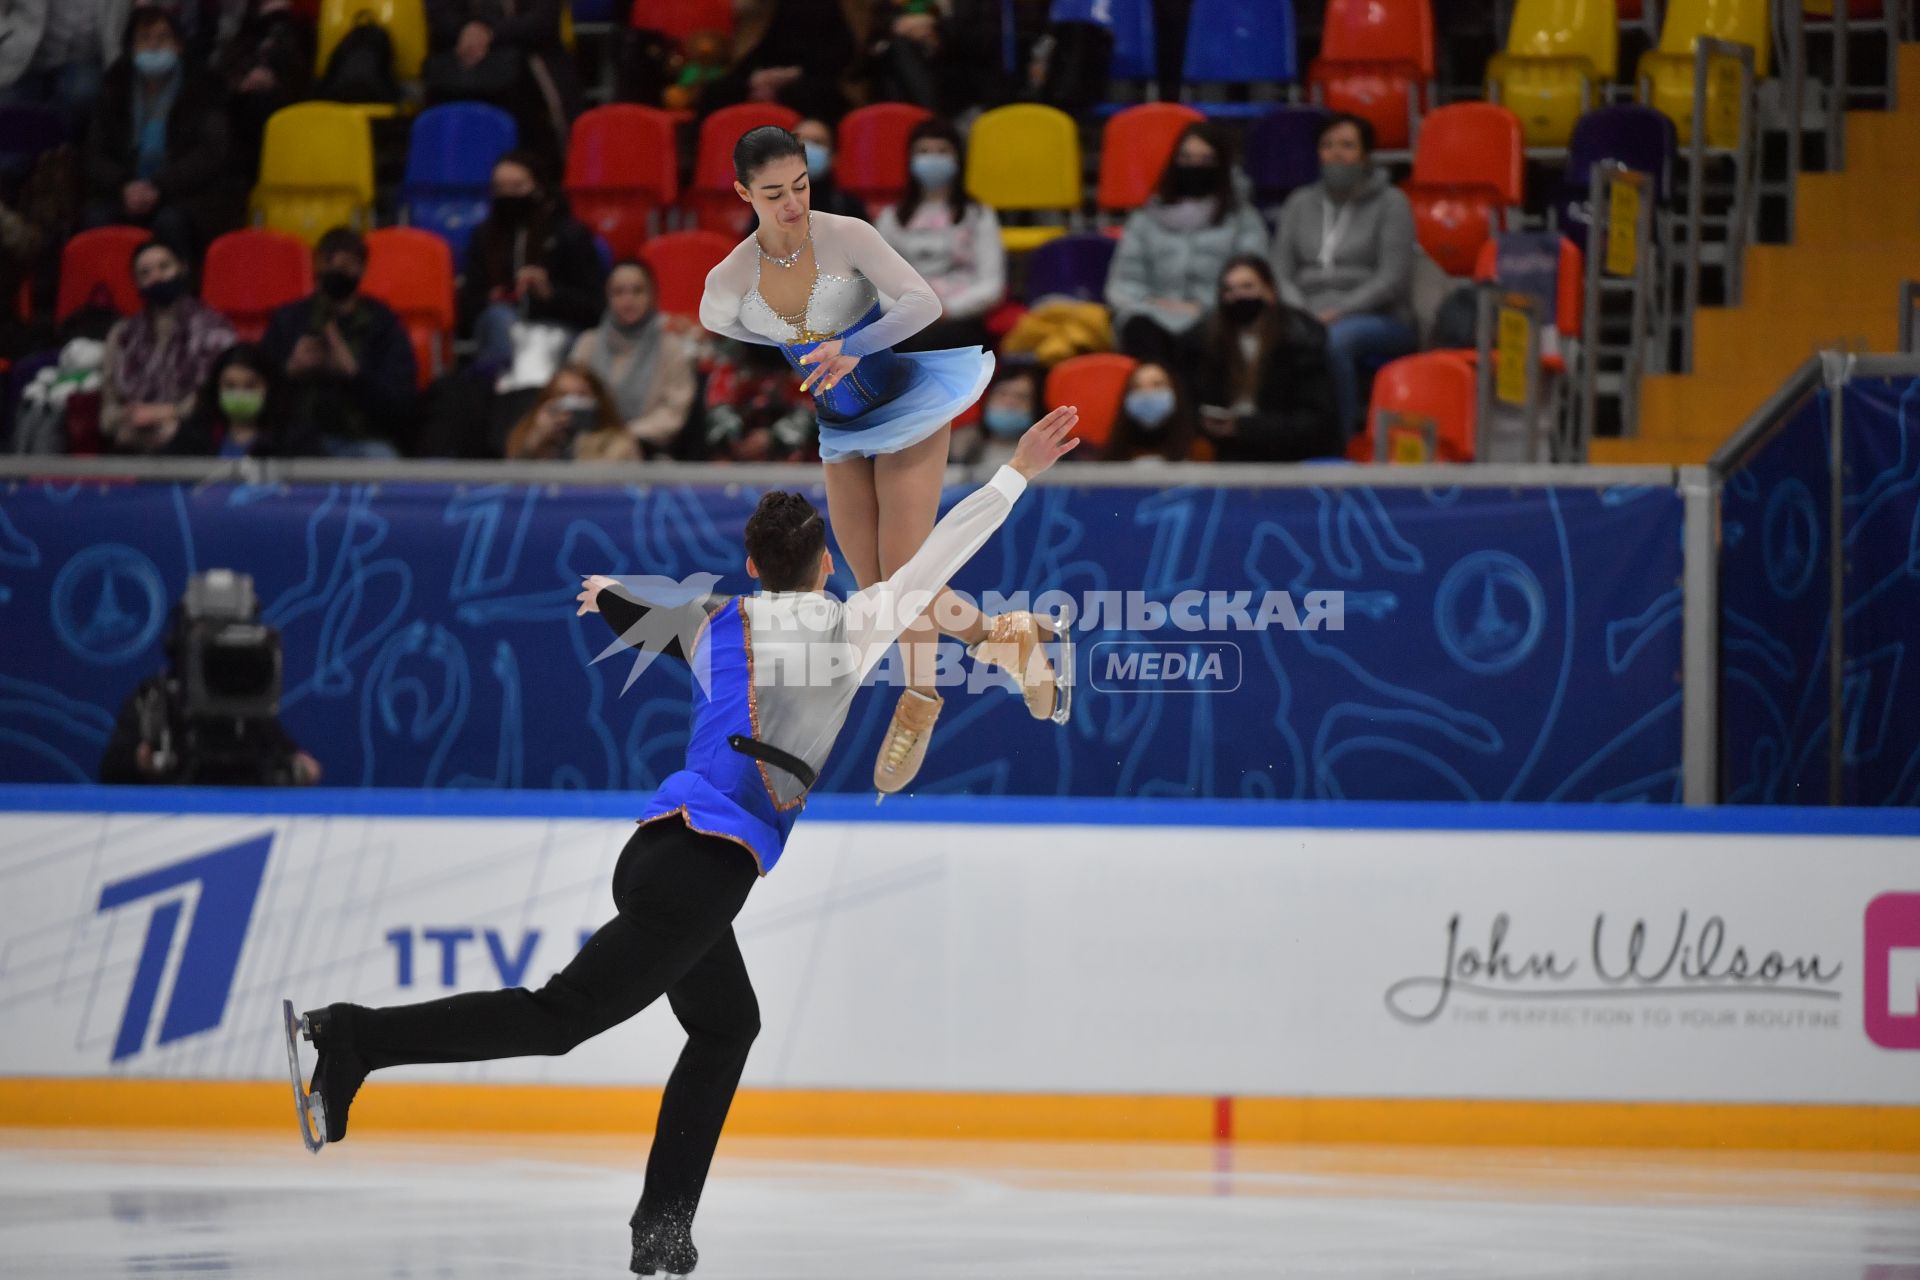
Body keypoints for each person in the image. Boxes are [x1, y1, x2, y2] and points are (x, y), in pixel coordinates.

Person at [283, 406, 1083, 1277]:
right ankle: (354, 1038)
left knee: (727, 1024)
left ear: (751, 566)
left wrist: (605, 595)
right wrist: (1017, 470)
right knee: (560, 1020)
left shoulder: (713, 621)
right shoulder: (850, 625)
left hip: (663, 854)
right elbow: (942, 554)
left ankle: (662, 1226)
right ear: (825, 569)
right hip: (700, 871)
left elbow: (622, 601)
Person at [698, 126, 1067, 796]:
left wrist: (854, 344)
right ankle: (1000, 638)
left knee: (903, 570)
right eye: (774, 193)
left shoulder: (848, 235)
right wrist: (790, 343)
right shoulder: (731, 276)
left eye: (801, 186)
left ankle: (919, 698)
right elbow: (718, 319)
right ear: (743, 192)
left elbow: (925, 301)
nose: (792, 204)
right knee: (877, 592)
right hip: (839, 425)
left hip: (907, 404)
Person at [1270, 112, 1417, 439]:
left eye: (1347, 146)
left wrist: (1341, 311)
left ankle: (1342, 440)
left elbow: (1392, 279)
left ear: (1365, 156)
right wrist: (1302, 311)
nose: (1336, 153)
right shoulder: (1299, 202)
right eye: (1328, 145)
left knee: (1336, 340)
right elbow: (1280, 271)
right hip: (1305, 309)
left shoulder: (1392, 203)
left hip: (1377, 316)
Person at [80, 6, 240, 258]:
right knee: (97, 217)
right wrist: (124, 186)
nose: (154, 46)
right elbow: (95, 153)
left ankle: (178, 289)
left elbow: (210, 152)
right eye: (145, 38)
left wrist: (159, 186)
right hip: (126, 189)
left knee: (170, 222)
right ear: (131, 49)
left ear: (178, 46)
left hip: (184, 192)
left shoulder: (203, 86)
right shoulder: (114, 87)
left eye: (163, 38)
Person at [1105, 121, 1268, 368]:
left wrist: (1205, 307)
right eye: (1187, 157)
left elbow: (1252, 278)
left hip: (1215, 315)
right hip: (1152, 314)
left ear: (1221, 165)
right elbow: (1123, 282)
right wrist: (1151, 304)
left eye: (1205, 159)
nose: (1195, 166)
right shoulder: (1144, 219)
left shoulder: (1243, 219)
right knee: (1138, 328)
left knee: (1212, 335)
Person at [261, 227, 417, 459]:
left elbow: (401, 407)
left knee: (381, 461)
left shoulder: (383, 325)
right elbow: (255, 390)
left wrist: (354, 374)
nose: (336, 272)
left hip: (363, 441)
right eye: (328, 263)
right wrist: (290, 370)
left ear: (362, 270)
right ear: (316, 266)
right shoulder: (288, 320)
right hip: (296, 442)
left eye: (346, 266)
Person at [459, 150, 606, 375]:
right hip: (500, 326)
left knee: (544, 343)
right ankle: (506, 399)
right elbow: (468, 303)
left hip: (558, 324)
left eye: (517, 187)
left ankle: (526, 399)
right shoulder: (483, 236)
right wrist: (491, 297)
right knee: (501, 319)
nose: (508, 196)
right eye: (500, 188)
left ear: (538, 188)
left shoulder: (570, 234)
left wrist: (550, 294)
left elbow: (595, 307)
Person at [1186, 255, 1342, 462]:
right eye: (1229, 290)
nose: (1238, 296)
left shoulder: (1299, 341)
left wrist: (1245, 427)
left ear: (1270, 292)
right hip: (1225, 455)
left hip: (1286, 456)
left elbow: (1315, 422)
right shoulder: (1207, 341)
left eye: (1247, 287)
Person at [873, 117, 1005, 355]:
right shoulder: (890, 217)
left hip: (960, 318)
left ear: (958, 159)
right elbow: (874, 282)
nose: (932, 158)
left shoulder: (980, 215)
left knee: (927, 343)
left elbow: (991, 284)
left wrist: (948, 310)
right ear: (910, 159)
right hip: (902, 317)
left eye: (942, 151)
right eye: (923, 151)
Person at [100, 238, 235, 453]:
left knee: (173, 433)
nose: (156, 277)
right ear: (137, 283)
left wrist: (167, 412)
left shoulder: (214, 328)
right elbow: (108, 409)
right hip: (132, 433)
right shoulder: (122, 334)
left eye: (164, 267)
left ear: (182, 268)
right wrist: (128, 416)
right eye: (145, 273)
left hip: (191, 430)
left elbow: (215, 396)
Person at [568, 260, 696, 457]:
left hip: (646, 450)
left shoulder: (671, 349)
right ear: (607, 297)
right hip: (588, 441)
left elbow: (673, 414)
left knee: (618, 451)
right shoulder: (587, 344)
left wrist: (627, 433)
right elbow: (572, 398)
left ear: (652, 295)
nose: (628, 300)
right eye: (619, 292)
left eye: (637, 291)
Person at [423, 0, 580, 159]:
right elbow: (440, 18)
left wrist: (488, 32)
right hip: (461, 63)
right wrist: (468, 31)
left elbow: (542, 22)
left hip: (531, 64)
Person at [215, 0, 315, 183]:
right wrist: (242, 81)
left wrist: (275, 78)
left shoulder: (301, 28)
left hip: (285, 104)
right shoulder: (245, 29)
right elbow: (224, 68)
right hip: (240, 105)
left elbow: (302, 73)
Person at [168, 342, 322, 457]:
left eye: (250, 386)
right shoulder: (194, 435)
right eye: (230, 386)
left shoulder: (296, 438)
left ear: (268, 388)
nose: (240, 394)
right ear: (216, 390)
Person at [0, 0, 127, 131]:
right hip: (23, 56)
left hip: (83, 57)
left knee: (82, 97)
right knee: (10, 127)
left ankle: (68, 142)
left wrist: (113, 55)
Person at [702, 337, 817, 462]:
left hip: (790, 449)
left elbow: (811, 408)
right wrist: (731, 439)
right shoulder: (730, 363)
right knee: (720, 425)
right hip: (738, 443)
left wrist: (773, 438)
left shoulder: (805, 359)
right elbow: (718, 404)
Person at [504, 363, 640, 462]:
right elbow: (511, 482)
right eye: (562, 395)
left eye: (581, 395)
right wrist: (537, 440)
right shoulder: (527, 435)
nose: (571, 403)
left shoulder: (618, 441)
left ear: (598, 400)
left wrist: (581, 441)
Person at [949, 358, 1040, 469]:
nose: (1009, 402)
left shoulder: (1051, 453)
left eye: (1021, 397)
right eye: (1002, 394)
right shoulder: (959, 446)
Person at [1102, 361, 1200, 463]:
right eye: (1137, 387)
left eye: (1157, 385)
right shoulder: (1110, 458)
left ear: (1176, 392)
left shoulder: (1199, 453)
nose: (1146, 394)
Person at [790, 117, 867, 221]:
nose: (807, 148)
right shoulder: (767, 204)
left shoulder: (849, 207)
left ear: (833, 156)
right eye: (800, 141)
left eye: (817, 142)